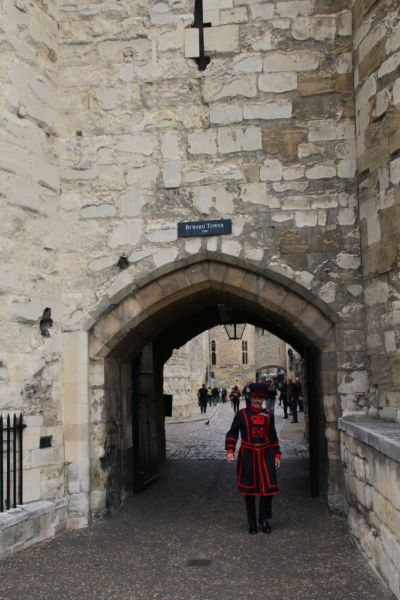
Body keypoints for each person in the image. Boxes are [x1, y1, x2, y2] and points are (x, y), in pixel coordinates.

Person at [225, 383, 281, 534]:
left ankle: (263, 518)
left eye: (260, 398)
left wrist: (277, 454)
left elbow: (273, 435)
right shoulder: (242, 414)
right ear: (250, 398)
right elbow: (232, 433)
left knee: (268, 488)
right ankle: (252, 522)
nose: (257, 401)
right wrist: (230, 450)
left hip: (266, 453)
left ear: (263, 399)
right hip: (248, 455)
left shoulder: (268, 415)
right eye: (255, 398)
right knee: (249, 490)